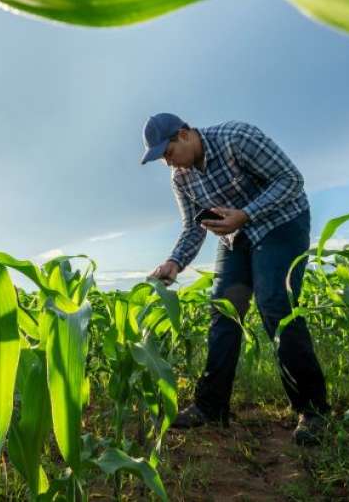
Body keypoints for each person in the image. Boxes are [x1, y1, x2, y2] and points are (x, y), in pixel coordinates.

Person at [141, 112, 330, 446]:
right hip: (236, 237)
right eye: (162, 160)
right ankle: (211, 406)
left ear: (184, 134)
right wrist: (174, 262)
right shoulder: (182, 179)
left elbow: (291, 180)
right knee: (223, 309)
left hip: (281, 224)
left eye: (168, 153)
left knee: (275, 303)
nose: (168, 163)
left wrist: (246, 214)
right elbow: (193, 227)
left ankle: (313, 410)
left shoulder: (236, 139)